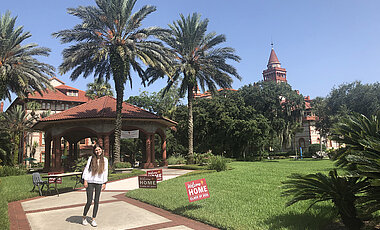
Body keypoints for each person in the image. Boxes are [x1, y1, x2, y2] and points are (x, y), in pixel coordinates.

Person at [82, 144, 108, 227]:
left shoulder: (105, 160)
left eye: (99, 149)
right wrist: (85, 180)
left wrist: (104, 182)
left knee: (96, 201)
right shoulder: (91, 158)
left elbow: (105, 172)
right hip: (90, 181)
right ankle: (84, 217)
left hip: (99, 182)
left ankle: (93, 219)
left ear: (102, 150)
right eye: (96, 150)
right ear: (94, 151)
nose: (98, 151)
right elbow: (86, 169)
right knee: (89, 201)